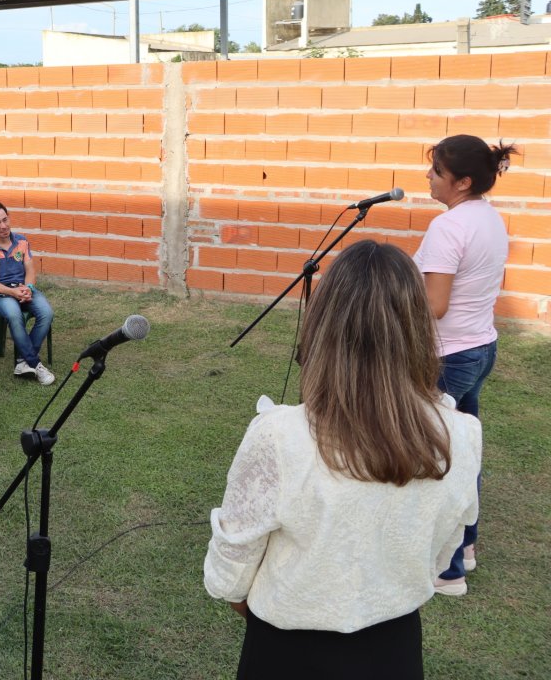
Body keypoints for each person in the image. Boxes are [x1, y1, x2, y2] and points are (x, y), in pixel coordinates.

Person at [204, 240, 481, 679]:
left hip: (288, 649)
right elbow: (443, 546)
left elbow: (233, 566)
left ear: (323, 325)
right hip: (393, 646)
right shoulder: (459, 434)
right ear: (416, 327)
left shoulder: (279, 435)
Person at [413, 134, 518, 596]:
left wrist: (388, 299)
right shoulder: (488, 217)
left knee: (439, 459)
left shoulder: (448, 227)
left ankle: (449, 570)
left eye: (437, 171)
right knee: (464, 449)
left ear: (463, 182)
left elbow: (434, 306)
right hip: (479, 349)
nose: (429, 177)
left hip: (447, 356)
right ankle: (466, 547)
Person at [0, 202, 55, 385]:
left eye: (5, 220)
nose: (3, 226)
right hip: (1, 294)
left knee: (47, 313)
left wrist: (28, 288)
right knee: (14, 314)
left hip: (24, 289)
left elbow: (30, 270)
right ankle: (35, 363)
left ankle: (22, 361)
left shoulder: (22, 241)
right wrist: (13, 292)